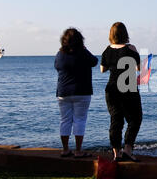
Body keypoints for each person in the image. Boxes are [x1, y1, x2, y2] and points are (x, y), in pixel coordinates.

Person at [101, 22, 142, 162]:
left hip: (112, 89)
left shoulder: (107, 50)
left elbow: (102, 69)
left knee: (115, 120)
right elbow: (138, 68)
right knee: (135, 119)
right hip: (129, 88)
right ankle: (128, 150)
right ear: (125, 34)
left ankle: (116, 153)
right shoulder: (131, 48)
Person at [54, 28, 98, 158]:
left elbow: (57, 66)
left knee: (65, 120)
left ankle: (65, 149)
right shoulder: (83, 53)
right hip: (82, 91)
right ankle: (78, 150)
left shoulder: (60, 54)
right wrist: (84, 49)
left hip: (63, 91)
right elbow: (95, 61)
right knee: (80, 120)